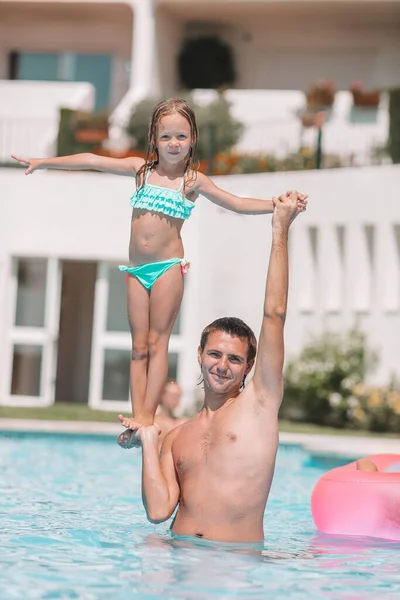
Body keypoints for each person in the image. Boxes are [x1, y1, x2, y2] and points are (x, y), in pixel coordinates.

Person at [12, 98, 307, 450]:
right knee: (138, 348)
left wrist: (278, 205)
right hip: (137, 269)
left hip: (167, 268)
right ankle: (138, 419)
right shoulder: (140, 171)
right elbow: (92, 160)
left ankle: (148, 418)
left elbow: (237, 203)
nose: (174, 143)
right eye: (166, 136)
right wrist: (44, 162)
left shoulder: (192, 181)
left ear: (192, 138)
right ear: (154, 138)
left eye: (181, 136)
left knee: (157, 344)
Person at [118, 190, 306, 543]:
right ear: (200, 355)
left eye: (234, 359)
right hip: (179, 560)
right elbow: (158, 512)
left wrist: (280, 229)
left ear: (250, 366)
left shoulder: (259, 405)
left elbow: (275, 313)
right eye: (215, 354)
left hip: (234, 568)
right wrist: (147, 439)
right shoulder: (175, 437)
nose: (222, 365)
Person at [155, 379, 187, 447]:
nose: (175, 399)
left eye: (178, 396)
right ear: (162, 395)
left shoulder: (182, 424)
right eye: (172, 395)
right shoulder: (152, 423)